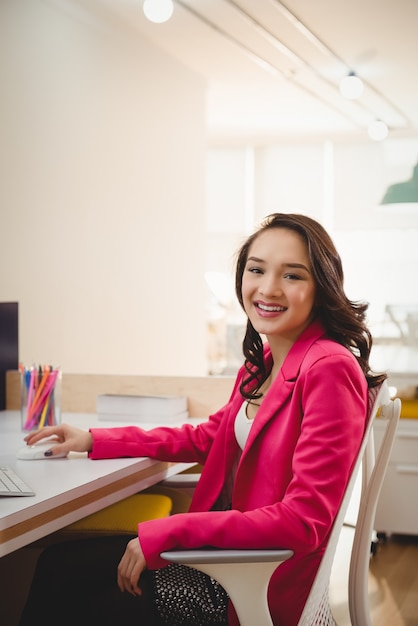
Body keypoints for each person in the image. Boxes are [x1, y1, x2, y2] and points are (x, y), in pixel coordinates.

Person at [19, 213, 385, 626]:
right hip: (226, 560)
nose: (268, 288)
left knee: (71, 598)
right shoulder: (264, 362)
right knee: (56, 565)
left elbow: (303, 521)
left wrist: (167, 534)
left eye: (292, 276)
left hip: (250, 581)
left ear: (321, 287)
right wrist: (94, 439)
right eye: (256, 270)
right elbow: (208, 437)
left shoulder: (328, 367)